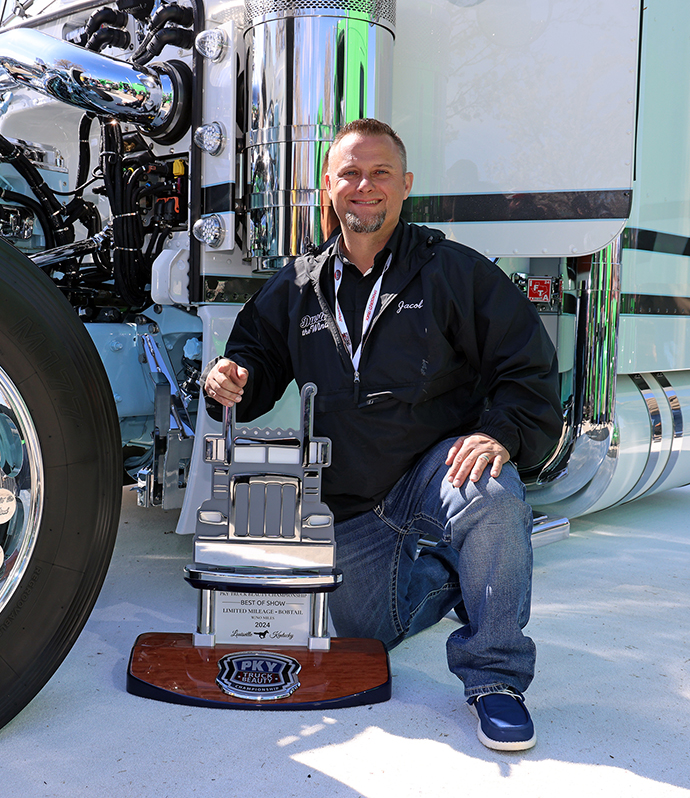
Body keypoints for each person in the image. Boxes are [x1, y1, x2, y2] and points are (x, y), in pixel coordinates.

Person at [202, 118, 562, 751]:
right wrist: (231, 378)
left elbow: (526, 365)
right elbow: (252, 360)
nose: (364, 186)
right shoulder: (297, 285)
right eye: (350, 173)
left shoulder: (456, 273)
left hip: (434, 475)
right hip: (352, 507)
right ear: (327, 187)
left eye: (380, 173)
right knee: (358, 636)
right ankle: (465, 576)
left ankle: (495, 678)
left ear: (406, 185)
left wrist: (502, 433)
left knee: (490, 490)